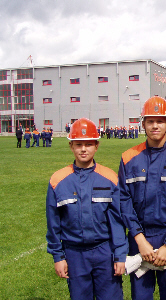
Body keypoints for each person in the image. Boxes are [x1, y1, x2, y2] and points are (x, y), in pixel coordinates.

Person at [118, 96, 166, 300]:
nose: (155, 126)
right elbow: (123, 200)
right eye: (150, 121)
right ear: (143, 123)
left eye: (160, 121)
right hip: (139, 239)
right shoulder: (128, 158)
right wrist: (139, 238)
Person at [46, 118, 128, 300]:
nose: (83, 149)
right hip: (74, 254)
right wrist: (58, 257)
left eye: (89, 144)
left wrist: (120, 255)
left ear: (97, 146)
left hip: (104, 252)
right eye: (78, 144)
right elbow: (53, 223)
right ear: (71, 146)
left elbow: (117, 222)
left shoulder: (110, 178)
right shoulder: (57, 180)